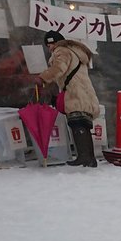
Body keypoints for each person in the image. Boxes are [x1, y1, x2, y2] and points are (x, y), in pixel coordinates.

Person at [36, 30, 99, 168]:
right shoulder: (75, 51)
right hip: (84, 92)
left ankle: (83, 156)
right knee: (84, 124)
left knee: (77, 124)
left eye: (49, 45)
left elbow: (59, 68)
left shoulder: (62, 51)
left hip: (75, 93)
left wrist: (42, 78)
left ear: (54, 42)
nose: (49, 48)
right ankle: (90, 158)